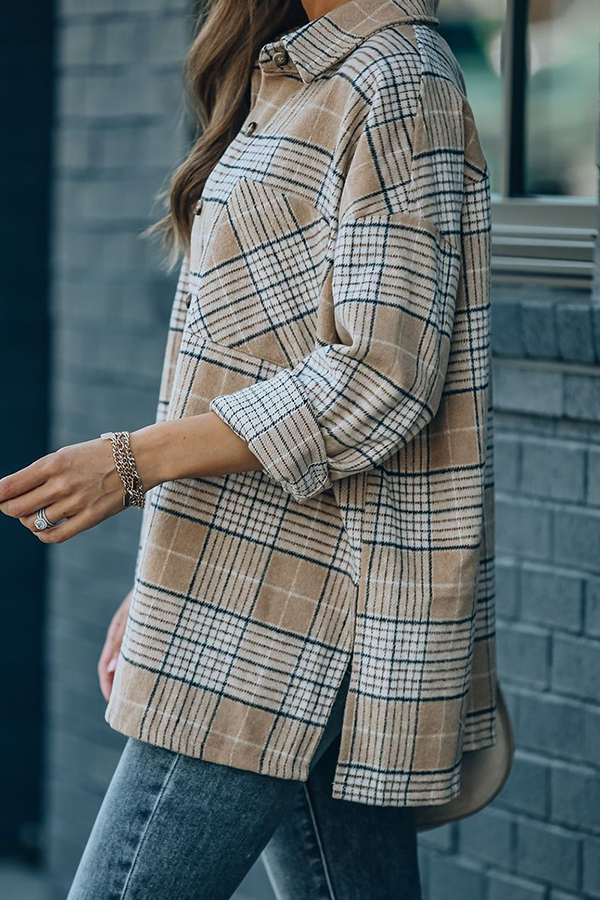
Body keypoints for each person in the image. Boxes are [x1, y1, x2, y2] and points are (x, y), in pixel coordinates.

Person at [0, 0, 498, 897]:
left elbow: (382, 377)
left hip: (294, 608)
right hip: (241, 584)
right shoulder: (298, 70)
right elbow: (239, 366)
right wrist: (165, 579)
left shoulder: (398, 79)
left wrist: (129, 462)